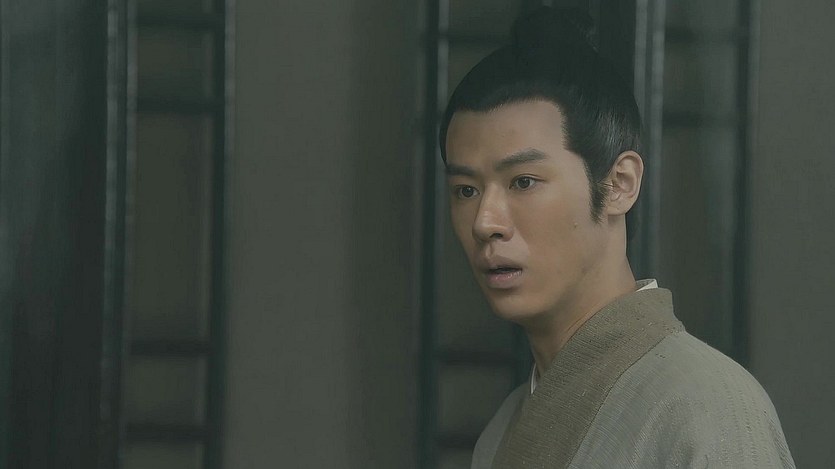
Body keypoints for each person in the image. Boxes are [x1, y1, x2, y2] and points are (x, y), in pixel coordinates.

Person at [438, 7, 795, 469]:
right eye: (466, 190)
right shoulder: (501, 431)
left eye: (523, 181)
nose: (485, 222)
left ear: (619, 184)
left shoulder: (707, 408)